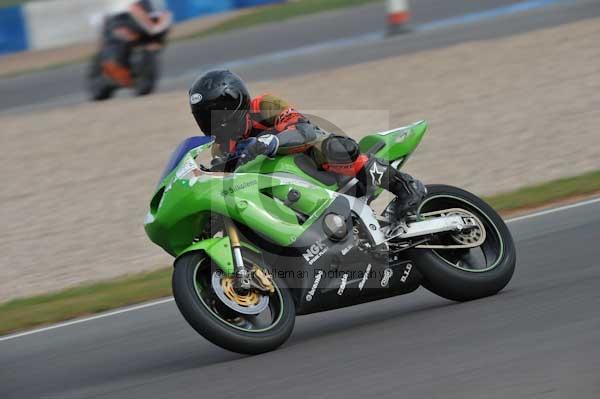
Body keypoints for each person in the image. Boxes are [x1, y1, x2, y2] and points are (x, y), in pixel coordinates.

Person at [188, 69, 426, 218]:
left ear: (232, 102)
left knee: (333, 149)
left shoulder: (263, 105)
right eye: (202, 115)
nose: (210, 121)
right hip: (278, 185)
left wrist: (271, 141)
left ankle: (405, 186)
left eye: (212, 113)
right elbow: (223, 177)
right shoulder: (221, 146)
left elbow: (303, 130)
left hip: (313, 160)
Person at [100, 0, 172, 87]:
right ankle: (112, 66)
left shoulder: (155, 5)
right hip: (121, 18)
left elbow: (162, 14)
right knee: (117, 39)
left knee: (155, 40)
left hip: (144, 22)